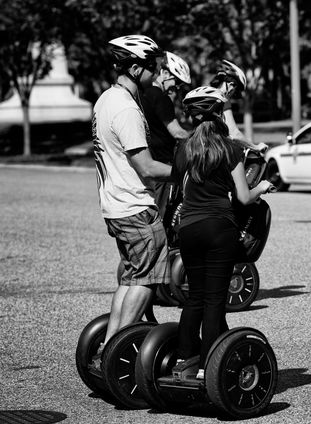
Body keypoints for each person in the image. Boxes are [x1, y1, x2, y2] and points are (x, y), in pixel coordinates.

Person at [172, 86, 274, 379]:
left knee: (195, 298)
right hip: (219, 228)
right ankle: (208, 368)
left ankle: (184, 360)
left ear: (192, 117)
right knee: (215, 301)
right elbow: (243, 197)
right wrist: (263, 187)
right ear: (219, 114)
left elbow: (181, 188)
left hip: (189, 229)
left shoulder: (183, 149)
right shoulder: (230, 149)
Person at [91, 35, 172, 367]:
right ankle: (115, 356)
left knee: (131, 279)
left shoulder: (106, 100)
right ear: (136, 68)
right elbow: (146, 166)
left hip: (115, 207)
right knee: (147, 281)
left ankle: (108, 347)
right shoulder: (126, 108)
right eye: (153, 66)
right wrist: (190, 170)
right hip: (135, 207)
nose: (157, 71)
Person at [141, 51, 192, 221]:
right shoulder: (160, 97)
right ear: (164, 73)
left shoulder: (143, 94)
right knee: (163, 218)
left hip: (150, 161)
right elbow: (177, 132)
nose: (176, 87)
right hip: (164, 167)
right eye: (176, 82)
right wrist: (200, 142)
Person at [210, 59, 267, 151]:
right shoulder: (222, 99)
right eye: (234, 92)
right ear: (231, 85)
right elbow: (234, 134)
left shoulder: (205, 94)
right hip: (214, 151)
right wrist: (255, 147)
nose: (232, 95)